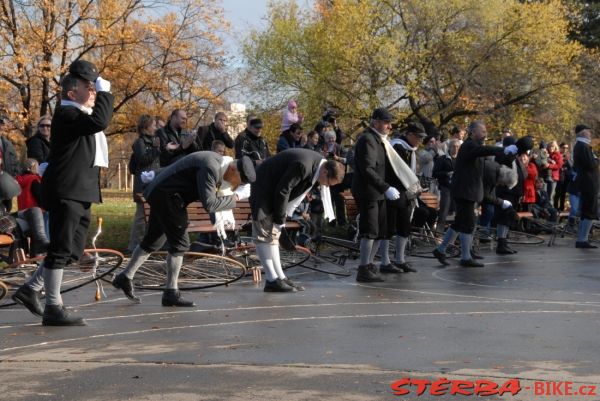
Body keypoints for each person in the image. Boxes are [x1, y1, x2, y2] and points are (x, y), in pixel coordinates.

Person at [12, 59, 113, 326]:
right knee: (59, 248)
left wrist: (98, 93)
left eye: (94, 88)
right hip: (66, 191)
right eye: (88, 88)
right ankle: (53, 307)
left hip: (80, 192)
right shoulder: (67, 114)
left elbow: (96, 125)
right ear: (72, 93)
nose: (93, 91)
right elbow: (101, 120)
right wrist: (105, 92)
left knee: (71, 249)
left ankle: (30, 288)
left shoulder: (79, 115)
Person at [113, 152, 256, 305]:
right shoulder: (211, 167)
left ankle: (125, 277)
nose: (236, 186)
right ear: (233, 169)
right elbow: (210, 204)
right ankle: (171, 292)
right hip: (167, 196)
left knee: (153, 241)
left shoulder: (220, 164)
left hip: (164, 193)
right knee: (180, 244)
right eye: (238, 182)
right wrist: (236, 197)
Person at [250, 148, 345, 291]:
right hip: (264, 190)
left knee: (273, 238)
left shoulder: (317, 166)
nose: (326, 186)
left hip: (274, 193)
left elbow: (299, 193)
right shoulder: (304, 165)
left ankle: (280, 277)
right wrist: (280, 220)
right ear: (325, 172)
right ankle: (271, 279)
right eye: (328, 183)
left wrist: (284, 216)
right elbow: (283, 190)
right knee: (263, 236)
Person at [432, 121, 517, 268]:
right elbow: (483, 151)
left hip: (467, 191)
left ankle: (440, 249)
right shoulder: (469, 146)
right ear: (472, 133)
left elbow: (486, 154)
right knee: (468, 224)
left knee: (459, 223)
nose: (485, 134)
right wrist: (503, 149)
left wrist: (508, 154)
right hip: (466, 191)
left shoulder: (474, 147)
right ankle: (465, 257)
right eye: (482, 131)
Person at [352, 108, 410, 282]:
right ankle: (363, 269)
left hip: (379, 192)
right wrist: (386, 187)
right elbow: (367, 169)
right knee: (369, 231)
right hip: (369, 192)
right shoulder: (367, 140)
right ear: (375, 121)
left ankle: (369, 264)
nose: (389, 126)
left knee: (380, 232)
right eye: (386, 122)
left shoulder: (380, 140)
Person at [378, 122, 427, 274]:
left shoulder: (410, 150)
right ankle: (385, 261)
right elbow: (397, 171)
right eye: (418, 137)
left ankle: (400, 259)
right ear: (410, 135)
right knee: (389, 228)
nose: (420, 141)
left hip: (406, 194)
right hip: (394, 191)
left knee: (405, 226)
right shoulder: (397, 147)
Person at [128, 114, 161, 252]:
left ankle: (146, 246)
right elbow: (144, 160)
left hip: (154, 183)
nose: (156, 127)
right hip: (143, 185)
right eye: (154, 125)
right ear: (146, 127)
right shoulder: (140, 143)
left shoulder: (154, 141)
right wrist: (154, 148)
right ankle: (134, 246)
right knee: (141, 216)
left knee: (151, 216)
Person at [572, 124, 599, 248]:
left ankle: (582, 238)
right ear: (582, 132)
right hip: (588, 183)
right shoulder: (583, 146)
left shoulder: (582, 146)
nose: (590, 133)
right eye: (588, 131)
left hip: (587, 182)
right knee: (589, 211)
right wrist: (596, 160)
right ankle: (582, 239)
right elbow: (590, 165)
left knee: (587, 211)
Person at [433, 138, 460, 231]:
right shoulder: (442, 159)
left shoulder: (461, 160)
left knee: (457, 212)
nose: (455, 148)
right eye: (454, 146)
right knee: (444, 210)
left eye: (457, 147)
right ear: (449, 147)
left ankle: (454, 235)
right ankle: (439, 233)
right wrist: (446, 173)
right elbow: (435, 173)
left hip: (458, 188)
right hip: (446, 187)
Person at [554, 142, 572, 211]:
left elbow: (571, 167)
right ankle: (555, 208)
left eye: (567, 148)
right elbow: (557, 165)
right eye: (564, 147)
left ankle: (561, 208)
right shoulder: (557, 155)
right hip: (558, 176)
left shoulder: (568, 156)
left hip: (566, 177)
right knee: (558, 193)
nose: (565, 149)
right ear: (560, 148)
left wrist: (567, 160)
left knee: (563, 193)